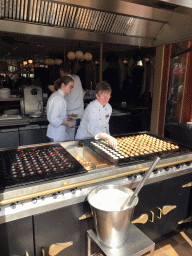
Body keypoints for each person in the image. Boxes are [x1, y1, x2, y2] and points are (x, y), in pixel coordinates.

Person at [75, 81, 117, 148]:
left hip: (97, 139)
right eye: (103, 96)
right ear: (97, 96)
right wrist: (108, 137)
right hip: (84, 139)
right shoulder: (92, 107)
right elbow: (92, 127)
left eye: (108, 95)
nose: (106, 98)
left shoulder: (109, 107)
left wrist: (108, 138)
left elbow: (106, 126)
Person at [59, 62, 84, 139]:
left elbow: (62, 98)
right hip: (80, 113)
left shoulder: (64, 81)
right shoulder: (77, 78)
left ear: (61, 71)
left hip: (69, 114)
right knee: (77, 137)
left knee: (69, 139)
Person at [46, 76, 75, 142]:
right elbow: (53, 119)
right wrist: (67, 122)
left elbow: (55, 115)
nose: (72, 89)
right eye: (70, 87)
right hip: (56, 134)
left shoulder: (55, 94)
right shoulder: (59, 99)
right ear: (63, 85)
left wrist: (65, 117)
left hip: (53, 133)